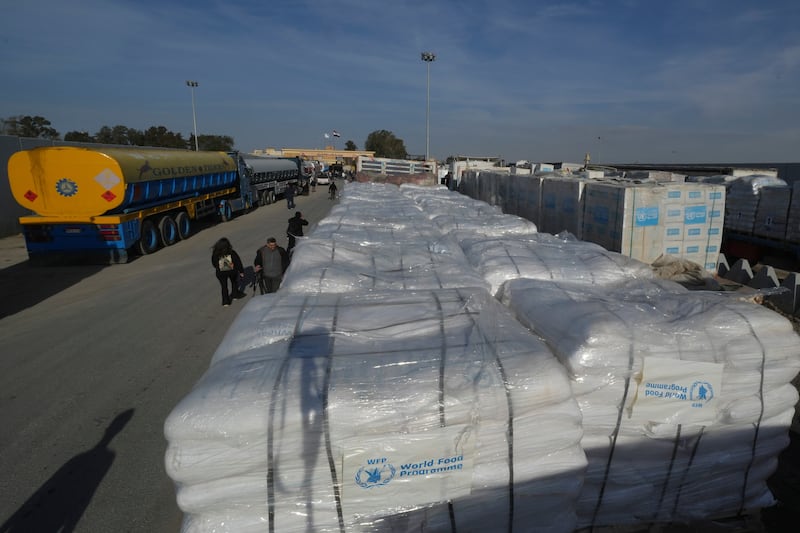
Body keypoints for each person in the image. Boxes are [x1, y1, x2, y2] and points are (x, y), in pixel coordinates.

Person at [211, 237, 245, 307]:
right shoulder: (231, 252)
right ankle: (235, 295)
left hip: (220, 273)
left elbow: (214, 263)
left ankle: (225, 301)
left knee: (224, 286)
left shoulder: (215, 253)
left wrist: (219, 267)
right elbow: (237, 262)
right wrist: (241, 271)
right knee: (234, 282)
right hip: (231, 271)